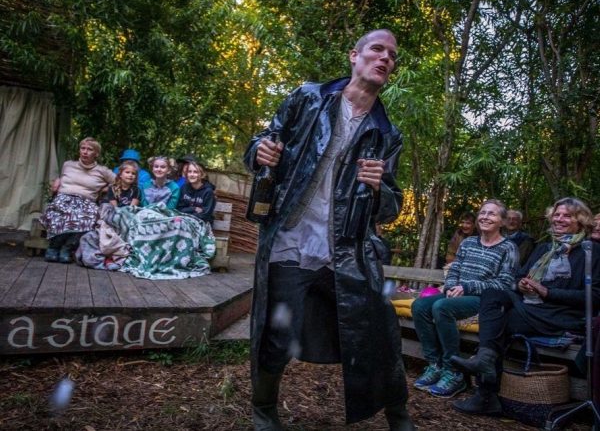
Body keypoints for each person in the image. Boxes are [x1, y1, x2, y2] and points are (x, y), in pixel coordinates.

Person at [244, 29, 414, 430]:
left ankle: (398, 414)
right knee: (277, 332)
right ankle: (263, 409)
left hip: (347, 250)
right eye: (377, 49)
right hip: (291, 242)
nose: (385, 58)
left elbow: (391, 206)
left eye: (392, 55)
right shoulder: (308, 98)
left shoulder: (386, 134)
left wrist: (379, 188)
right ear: (354, 55)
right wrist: (258, 151)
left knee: (379, 332)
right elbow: (263, 142)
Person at [451, 197, 600, 416]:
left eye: (567, 216)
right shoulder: (544, 248)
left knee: (498, 323)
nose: (559, 219)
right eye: (557, 214)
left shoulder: (591, 251)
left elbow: (594, 296)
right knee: (493, 295)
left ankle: (485, 394)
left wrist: (547, 292)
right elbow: (519, 277)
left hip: (561, 315)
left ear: (581, 221)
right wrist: (521, 284)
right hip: (531, 308)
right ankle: (484, 363)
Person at [411, 199, 518, 398]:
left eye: (492, 214)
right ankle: (435, 364)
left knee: (442, 307)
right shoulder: (468, 243)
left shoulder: (508, 247)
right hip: (456, 293)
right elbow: (455, 269)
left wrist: (467, 287)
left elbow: (504, 283)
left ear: (502, 221)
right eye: (482, 213)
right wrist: (451, 286)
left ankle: (454, 371)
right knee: (420, 305)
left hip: (483, 300)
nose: (485, 217)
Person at [40, 137, 115, 263]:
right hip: (63, 198)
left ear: (96, 153)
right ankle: (54, 247)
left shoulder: (102, 171)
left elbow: (119, 182)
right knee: (61, 213)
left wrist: (104, 189)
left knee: (87, 218)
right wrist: (59, 180)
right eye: (82, 148)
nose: (85, 152)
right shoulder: (68, 165)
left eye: (89, 149)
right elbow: (64, 178)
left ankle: (66, 249)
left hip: (86, 202)